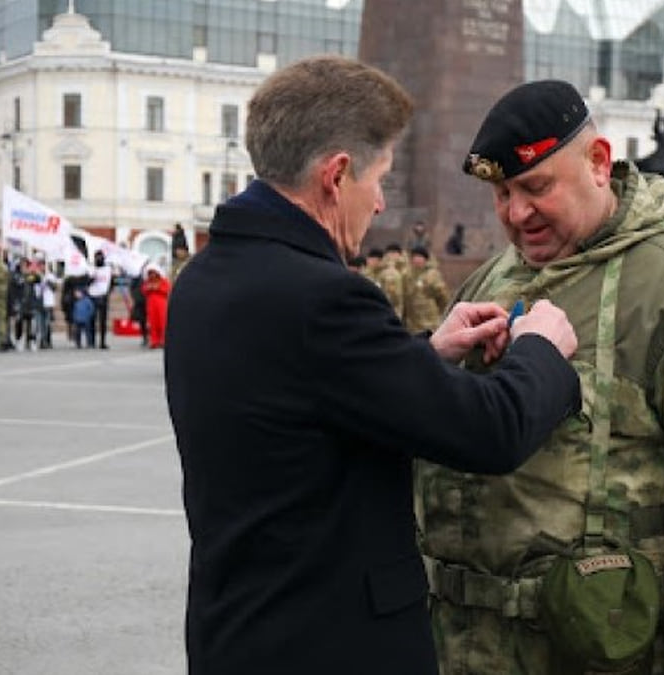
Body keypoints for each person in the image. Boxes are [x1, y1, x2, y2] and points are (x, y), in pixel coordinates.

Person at [164, 56, 582, 675]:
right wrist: (540, 349)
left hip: (237, 633)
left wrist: (422, 354)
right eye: (379, 178)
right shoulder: (323, 298)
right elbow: (489, 431)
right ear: (336, 176)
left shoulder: (204, 279)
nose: (383, 202)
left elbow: (310, 394)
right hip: (331, 645)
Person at [422, 79, 664, 675]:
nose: (517, 213)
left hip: (604, 647)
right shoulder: (489, 282)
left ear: (598, 163)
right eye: (502, 194)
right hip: (468, 646)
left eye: (536, 187)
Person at [401, 245, 449, 333]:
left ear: (425, 259)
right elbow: (403, 298)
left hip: (429, 322)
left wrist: (444, 313)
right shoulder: (406, 276)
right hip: (412, 323)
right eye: (415, 257)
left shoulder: (432, 275)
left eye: (420, 257)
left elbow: (442, 297)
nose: (417, 260)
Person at [87, 251, 112, 349]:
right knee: (92, 319)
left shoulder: (108, 269)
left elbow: (112, 281)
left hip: (103, 296)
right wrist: (93, 277)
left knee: (103, 320)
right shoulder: (91, 269)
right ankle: (92, 341)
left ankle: (102, 342)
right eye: (97, 257)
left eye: (100, 257)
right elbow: (87, 281)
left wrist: (108, 292)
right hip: (92, 295)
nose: (99, 259)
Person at [141, 264, 169, 349]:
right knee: (153, 323)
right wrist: (149, 288)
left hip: (161, 304)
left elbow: (167, 289)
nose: (152, 275)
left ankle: (163, 341)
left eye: (153, 273)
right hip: (151, 304)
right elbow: (143, 290)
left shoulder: (163, 280)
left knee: (162, 322)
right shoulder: (147, 282)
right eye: (150, 273)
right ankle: (154, 341)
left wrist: (157, 288)